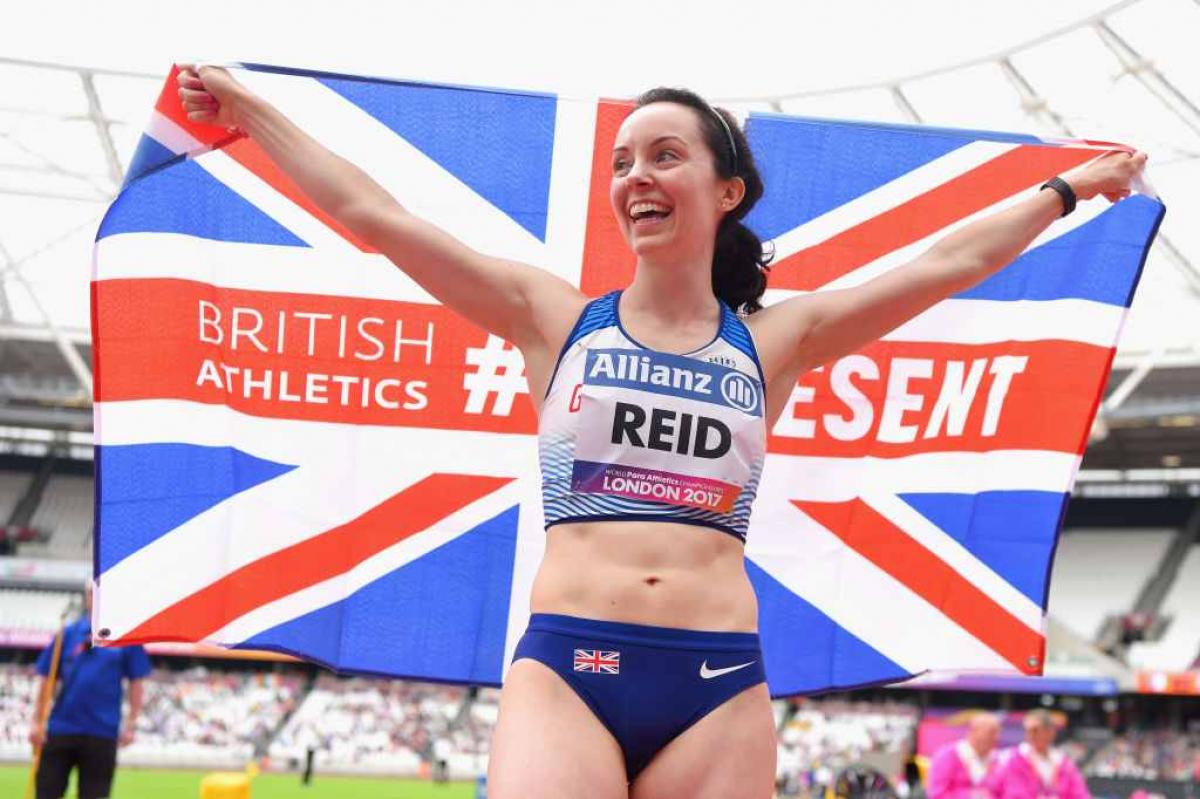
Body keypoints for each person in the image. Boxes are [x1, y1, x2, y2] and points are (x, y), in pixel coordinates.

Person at [177, 66, 1145, 799]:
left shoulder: (776, 341)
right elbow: (372, 216)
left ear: (727, 191)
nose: (636, 174)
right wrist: (248, 109)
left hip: (718, 682)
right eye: (622, 161)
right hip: (568, 665)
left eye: (664, 155)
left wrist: (1071, 189)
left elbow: (946, 262)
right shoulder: (553, 318)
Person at [29, 583, 152, 799]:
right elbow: (46, 680)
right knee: (46, 793)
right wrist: (37, 722)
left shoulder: (126, 638)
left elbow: (136, 682)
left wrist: (132, 723)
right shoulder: (67, 634)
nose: (96, 598)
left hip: (102, 732)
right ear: (87, 597)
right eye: (92, 593)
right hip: (60, 729)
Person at [994, 710, 1090, 799]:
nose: (1029, 735)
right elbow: (1013, 794)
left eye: (1035, 730)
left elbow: (1080, 794)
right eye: (1027, 730)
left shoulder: (1064, 763)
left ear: (1050, 732)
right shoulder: (1013, 759)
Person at [928, 713, 1003, 799]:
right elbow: (937, 794)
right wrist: (970, 796)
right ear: (973, 731)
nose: (996, 738)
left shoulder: (998, 760)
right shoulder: (947, 756)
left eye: (998, 732)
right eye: (991, 732)